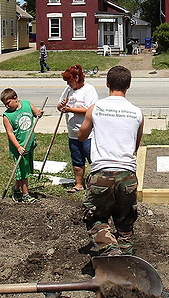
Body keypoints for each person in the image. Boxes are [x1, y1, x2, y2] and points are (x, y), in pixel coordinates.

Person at [77, 65, 143, 256]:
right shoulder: (137, 113)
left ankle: (110, 251)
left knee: (95, 218)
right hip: (127, 175)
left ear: (107, 83)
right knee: (125, 223)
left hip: (102, 174)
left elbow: (81, 136)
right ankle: (127, 265)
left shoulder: (95, 108)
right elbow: (134, 146)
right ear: (128, 86)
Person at [57, 65, 99, 194]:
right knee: (77, 159)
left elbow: (89, 110)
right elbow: (59, 105)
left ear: (77, 78)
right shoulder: (68, 89)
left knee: (93, 159)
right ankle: (79, 184)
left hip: (88, 133)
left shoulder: (89, 90)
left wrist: (70, 109)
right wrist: (62, 106)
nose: (68, 84)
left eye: (70, 81)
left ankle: (96, 184)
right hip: (73, 133)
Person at [1, 87, 44, 202]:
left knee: (25, 169)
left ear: (15, 98)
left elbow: (36, 114)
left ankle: (15, 188)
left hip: (29, 144)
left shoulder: (27, 104)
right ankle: (25, 195)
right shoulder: (7, 116)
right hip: (19, 148)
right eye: (5, 104)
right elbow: (10, 134)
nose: (7, 106)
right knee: (23, 172)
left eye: (8, 103)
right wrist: (18, 147)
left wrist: (39, 113)